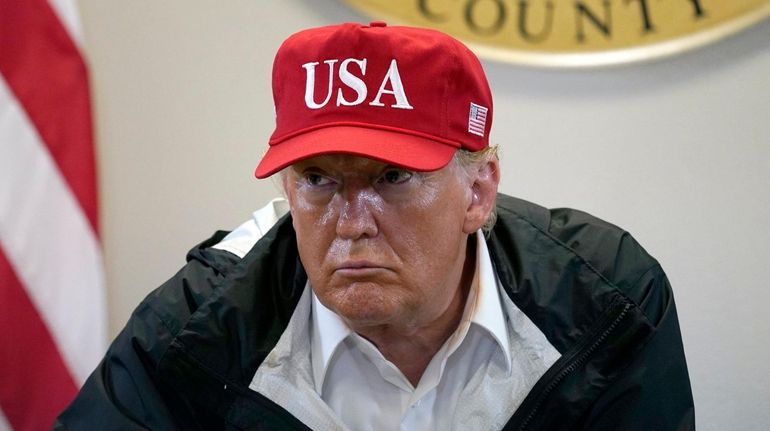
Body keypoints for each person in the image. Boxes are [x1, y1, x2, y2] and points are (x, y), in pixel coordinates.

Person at [56, 22, 694, 430]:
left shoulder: (606, 306)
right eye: (318, 180)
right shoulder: (201, 323)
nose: (351, 223)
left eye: (393, 178)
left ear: (478, 191)